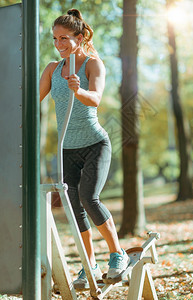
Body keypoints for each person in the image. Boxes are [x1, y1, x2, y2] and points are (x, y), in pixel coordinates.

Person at [40, 8, 129, 289]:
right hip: (67, 148)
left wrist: (78, 90)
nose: (59, 44)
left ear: (79, 37)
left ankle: (118, 254)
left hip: (94, 143)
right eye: (55, 39)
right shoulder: (52, 69)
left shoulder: (92, 64)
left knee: (89, 198)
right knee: (74, 206)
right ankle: (89, 263)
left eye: (64, 38)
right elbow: (29, 99)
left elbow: (96, 99)